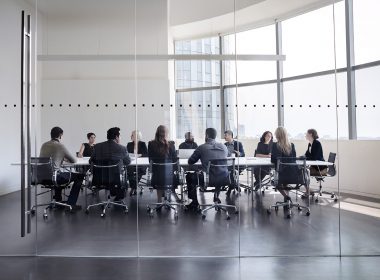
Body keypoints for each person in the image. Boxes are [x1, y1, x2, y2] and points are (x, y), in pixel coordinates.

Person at [39, 127, 84, 210]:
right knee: (80, 176)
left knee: (59, 174)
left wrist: (61, 158)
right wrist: (63, 157)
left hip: (41, 177)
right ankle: (71, 204)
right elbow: (73, 160)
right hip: (54, 176)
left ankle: (58, 200)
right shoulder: (60, 145)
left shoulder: (44, 145)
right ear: (60, 135)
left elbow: (48, 159)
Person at [186, 128, 229, 210]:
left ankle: (194, 203)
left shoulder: (202, 147)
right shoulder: (224, 147)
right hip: (224, 178)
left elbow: (190, 161)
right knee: (218, 172)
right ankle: (216, 197)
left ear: (207, 135)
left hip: (208, 179)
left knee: (189, 176)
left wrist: (201, 159)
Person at [90, 127, 131, 201]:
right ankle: (117, 197)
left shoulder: (97, 146)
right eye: (120, 136)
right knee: (123, 178)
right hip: (114, 180)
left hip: (99, 179)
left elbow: (91, 161)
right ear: (116, 137)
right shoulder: (122, 148)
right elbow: (128, 162)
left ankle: (114, 194)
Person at [148, 125, 177, 202]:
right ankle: (168, 197)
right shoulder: (171, 144)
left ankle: (159, 200)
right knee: (167, 174)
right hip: (169, 175)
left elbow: (150, 160)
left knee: (160, 176)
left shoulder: (151, 144)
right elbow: (175, 160)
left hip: (157, 175)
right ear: (166, 133)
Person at [271, 127, 297, 203]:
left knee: (275, 182)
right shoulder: (291, 145)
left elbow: (273, 160)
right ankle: (287, 200)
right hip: (292, 173)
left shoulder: (275, 145)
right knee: (286, 182)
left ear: (277, 135)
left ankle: (286, 196)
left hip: (281, 173)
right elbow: (294, 159)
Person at [126, 130, 148, 196]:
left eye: (132, 135)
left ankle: (133, 187)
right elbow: (126, 154)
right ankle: (134, 187)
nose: (131, 136)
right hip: (132, 162)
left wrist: (140, 155)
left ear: (136, 136)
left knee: (140, 169)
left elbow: (146, 154)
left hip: (141, 163)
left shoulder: (143, 144)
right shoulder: (129, 144)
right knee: (129, 169)